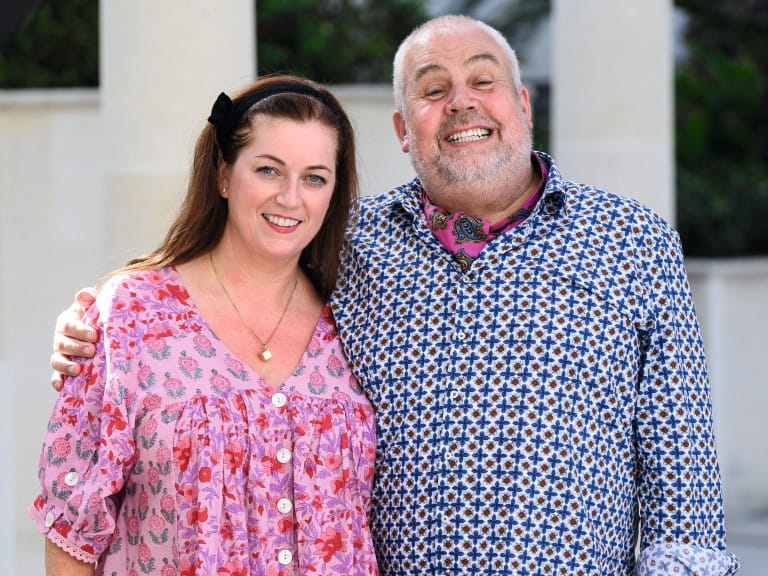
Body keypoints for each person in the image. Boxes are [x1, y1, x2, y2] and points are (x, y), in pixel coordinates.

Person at [49, 15, 740, 576]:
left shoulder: (632, 242)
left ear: (523, 105)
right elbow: (226, 284)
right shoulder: (351, 245)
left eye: (484, 80)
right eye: (433, 90)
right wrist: (97, 322)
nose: (462, 101)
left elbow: (686, 502)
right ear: (404, 131)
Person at [32, 75, 379, 576]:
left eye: (314, 178)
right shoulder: (133, 314)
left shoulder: (358, 317)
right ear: (224, 174)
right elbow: (73, 532)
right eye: (268, 170)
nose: (290, 197)